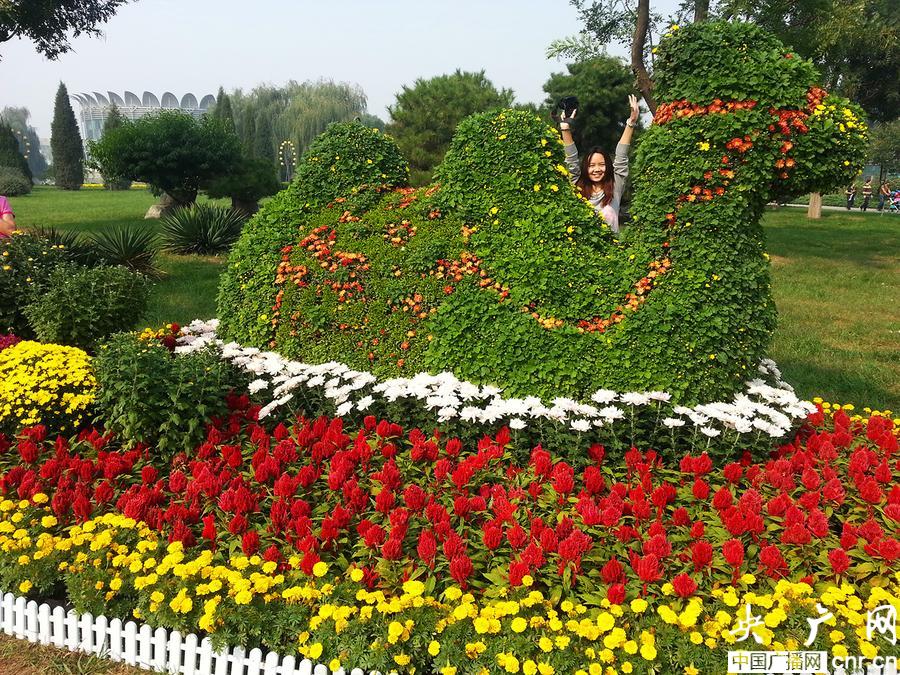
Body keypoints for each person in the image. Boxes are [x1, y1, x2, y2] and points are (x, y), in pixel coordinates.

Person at [559, 95, 640, 233]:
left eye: (601, 164)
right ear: (585, 168)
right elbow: (571, 160)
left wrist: (631, 123)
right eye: (591, 165)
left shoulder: (615, 186)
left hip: (612, 252)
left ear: (607, 166)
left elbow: (621, 157)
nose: (597, 169)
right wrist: (565, 128)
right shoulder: (577, 186)